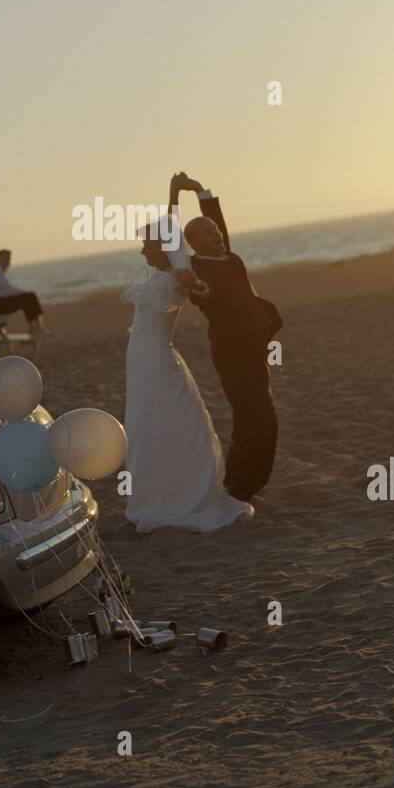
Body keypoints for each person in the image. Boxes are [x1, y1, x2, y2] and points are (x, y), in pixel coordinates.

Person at [121, 202, 253, 533]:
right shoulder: (165, 271)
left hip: (155, 358)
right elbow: (170, 220)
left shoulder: (177, 275)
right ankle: (159, 493)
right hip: (140, 358)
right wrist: (175, 191)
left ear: (164, 247)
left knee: (171, 422)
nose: (142, 251)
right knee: (148, 422)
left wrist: (198, 284)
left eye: (147, 245)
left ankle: (180, 496)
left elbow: (200, 288)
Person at [174, 172, 281, 502]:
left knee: (260, 414)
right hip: (231, 351)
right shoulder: (197, 268)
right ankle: (240, 485)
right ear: (193, 243)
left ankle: (241, 482)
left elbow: (215, 220)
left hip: (254, 346)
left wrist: (201, 191)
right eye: (206, 233)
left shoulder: (229, 256)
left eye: (216, 230)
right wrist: (175, 195)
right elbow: (203, 292)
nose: (216, 233)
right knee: (254, 415)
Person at [0, 250, 48, 333]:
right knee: (29, 296)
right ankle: (36, 327)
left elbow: (3, 291)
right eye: (5, 259)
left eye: (8, 259)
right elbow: (7, 289)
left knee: (28, 297)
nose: (7, 261)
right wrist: (24, 293)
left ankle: (35, 326)